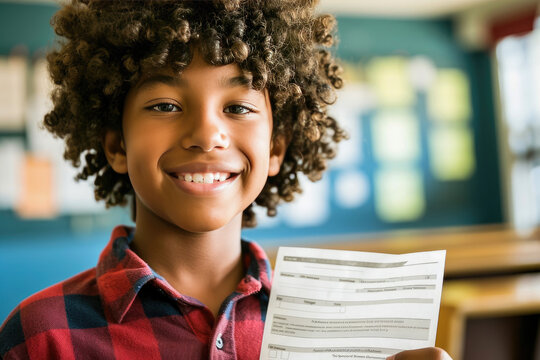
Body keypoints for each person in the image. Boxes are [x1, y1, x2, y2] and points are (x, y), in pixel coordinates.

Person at [0, 1, 452, 359]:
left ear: (275, 148)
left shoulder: (344, 334)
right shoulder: (40, 338)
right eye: (164, 105)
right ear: (117, 145)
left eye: (238, 107)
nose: (205, 135)